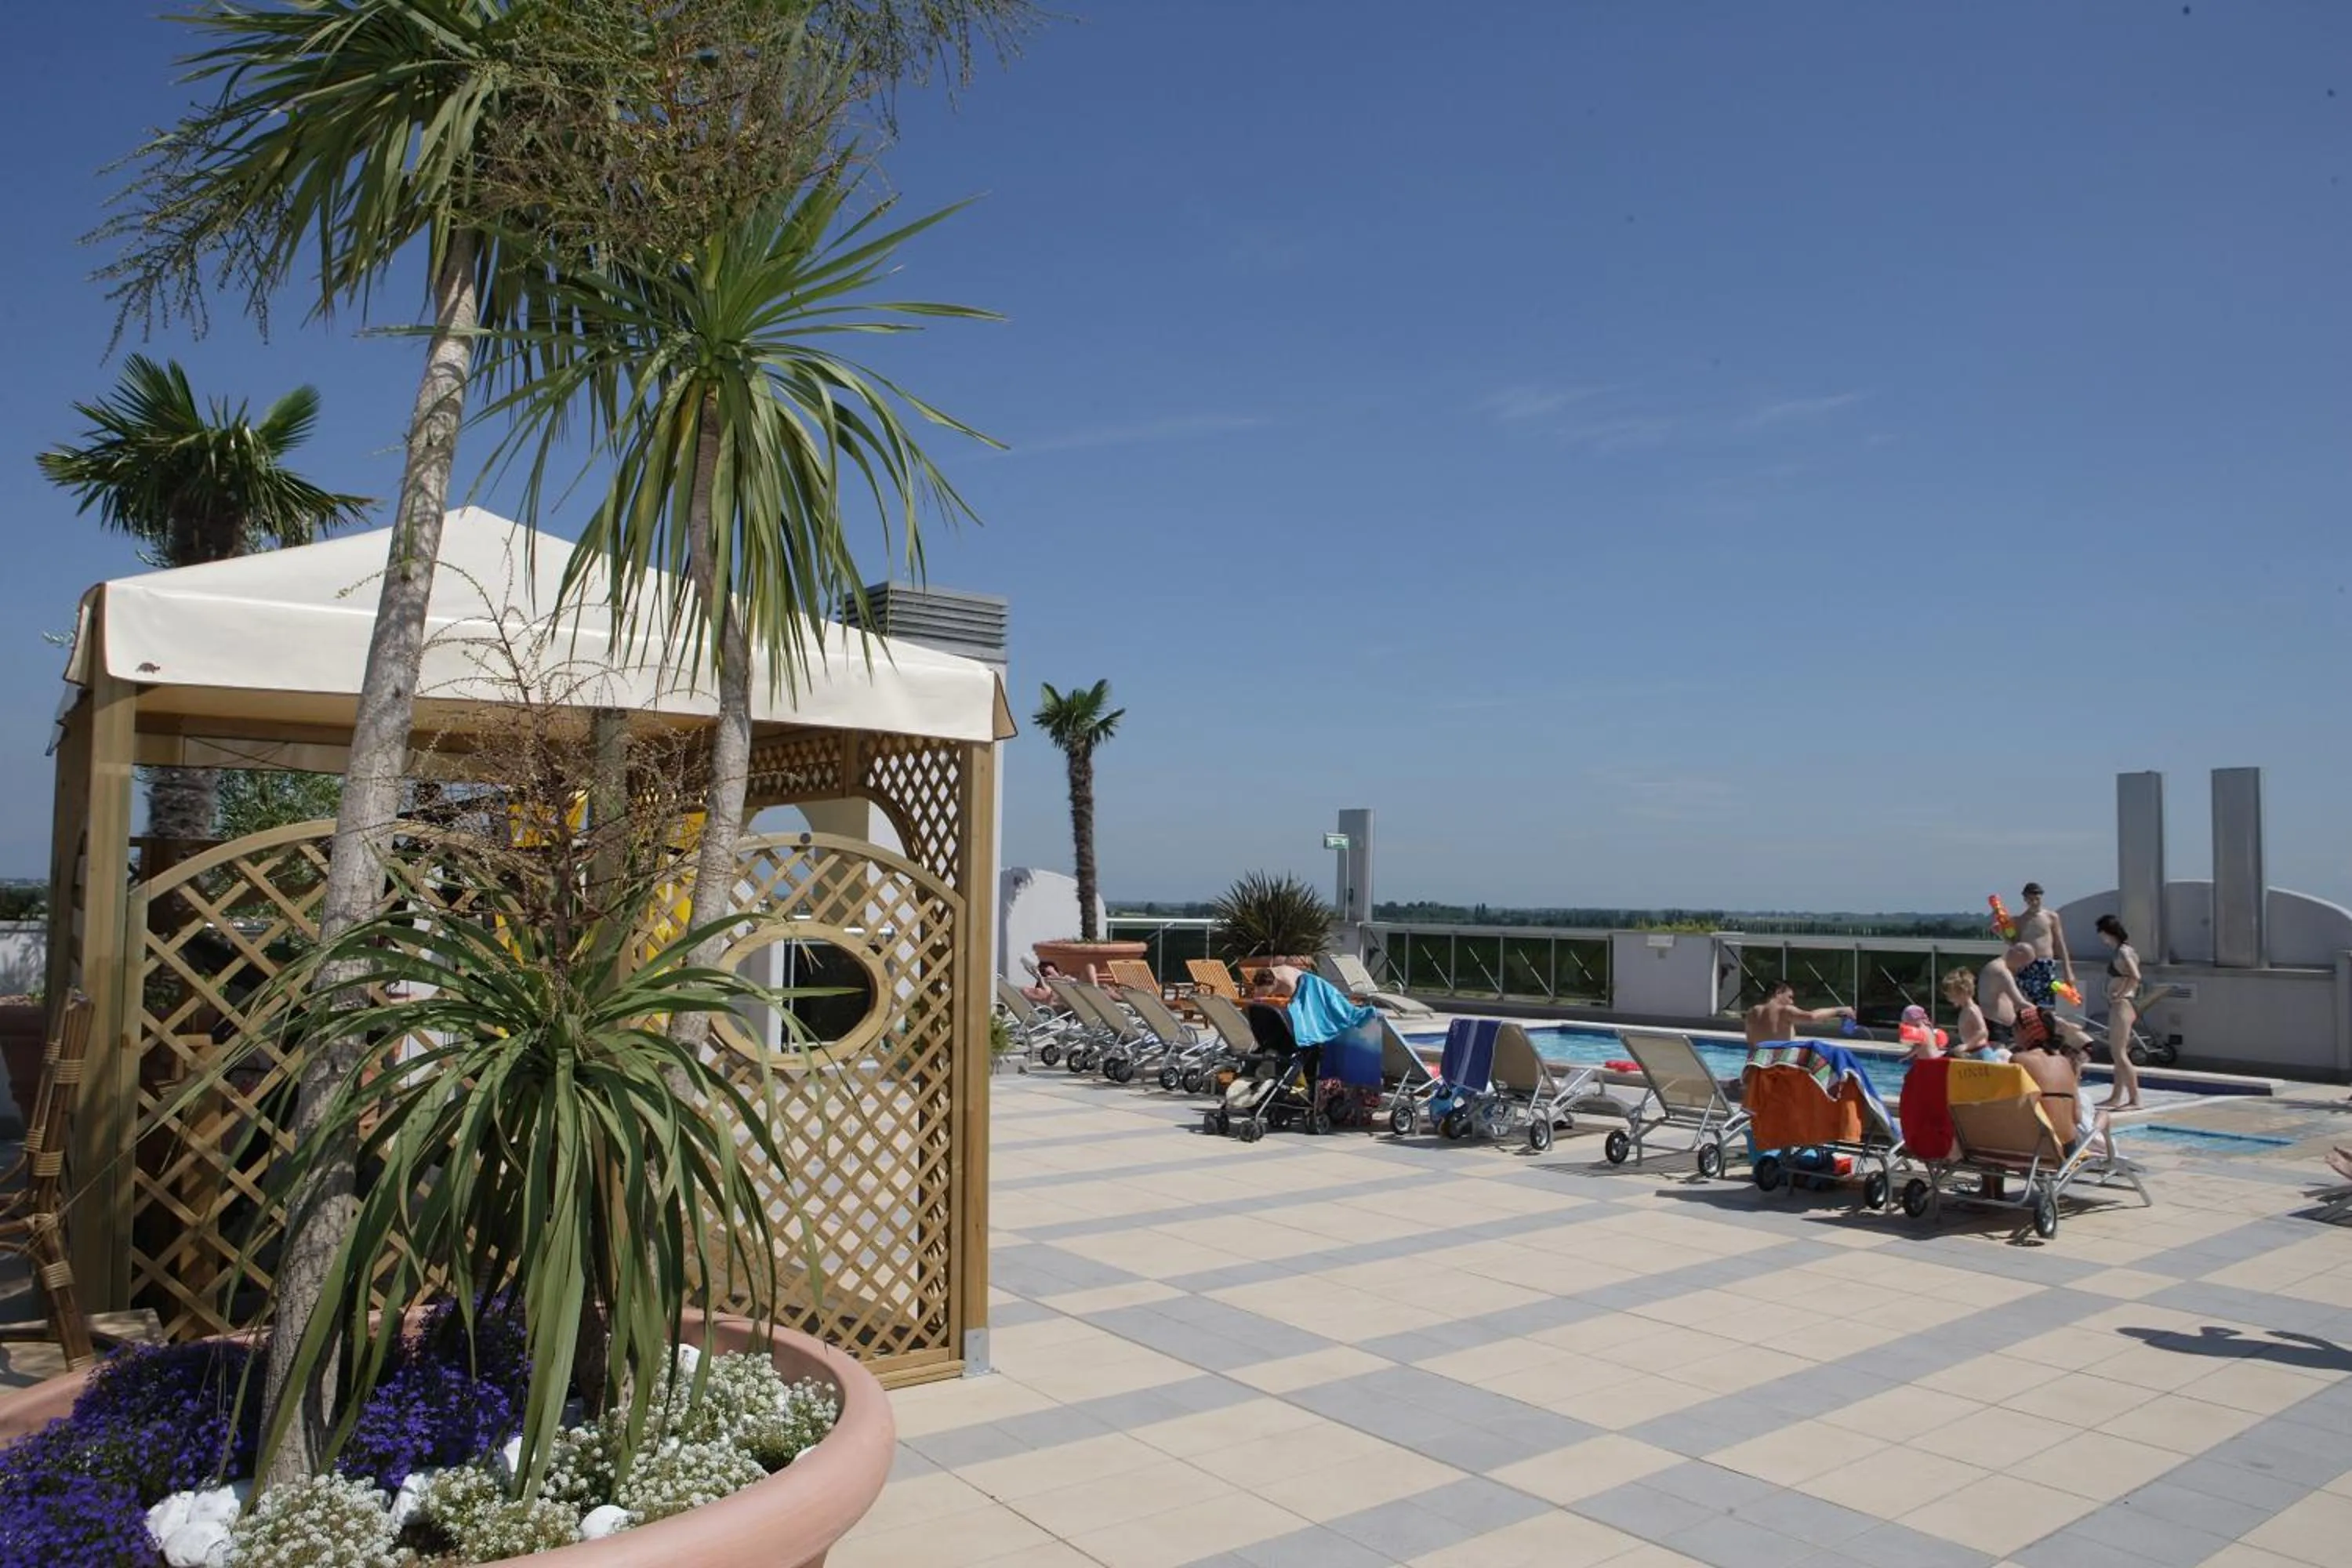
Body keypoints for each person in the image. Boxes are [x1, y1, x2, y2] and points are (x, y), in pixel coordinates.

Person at [2013, 1024, 2111, 1159]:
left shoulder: (2018, 1060)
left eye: (2015, 1028)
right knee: (2102, 1115)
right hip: (2062, 1148)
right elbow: (2076, 1118)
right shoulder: (2064, 1065)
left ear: (2026, 1032)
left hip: (2019, 1144)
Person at [2095, 914, 2144, 1111]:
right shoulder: (2125, 950)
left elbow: (2135, 976)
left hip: (2122, 1004)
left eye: (2101, 934)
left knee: (2119, 1053)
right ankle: (2116, 1097)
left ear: (2108, 932)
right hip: (2121, 1005)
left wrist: (2119, 994)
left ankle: (2135, 1099)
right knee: (2118, 1053)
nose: (2101, 938)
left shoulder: (2123, 952)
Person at [2012, 883, 2078, 1010]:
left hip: (2045, 964)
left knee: (2046, 1006)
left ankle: (2049, 1027)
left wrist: (2068, 971)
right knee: (2026, 1005)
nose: (2034, 902)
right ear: (2025, 899)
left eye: (2037, 899)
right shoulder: (2020, 920)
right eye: (2031, 899)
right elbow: (2015, 945)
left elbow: (2060, 944)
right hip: (2026, 965)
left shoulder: (2051, 917)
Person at [1744, 980, 1854, 1048]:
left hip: (1757, 1070)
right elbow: (1812, 1017)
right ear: (1778, 993)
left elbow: (1751, 1047)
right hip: (1777, 1070)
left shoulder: (1751, 1012)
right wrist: (1839, 1010)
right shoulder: (1784, 1010)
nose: (1792, 1002)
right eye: (1790, 997)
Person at [1940, 967, 2006, 1059]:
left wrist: (1967, 1046)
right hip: (1974, 1051)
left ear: (1962, 993)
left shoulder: (1972, 1010)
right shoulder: (1965, 1010)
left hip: (1981, 1052)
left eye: (1951, 995)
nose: (1949, 999)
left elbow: (1983, 1031)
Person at [1977, 944, 2035, 1047]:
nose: (2022, 967)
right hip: (1996, 1026)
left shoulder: (1998, 967)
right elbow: (2019, 1002)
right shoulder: (2001, 971)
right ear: (2018, 954)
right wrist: (2046, 1015)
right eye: (2023, 963)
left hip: (2001, 1026)